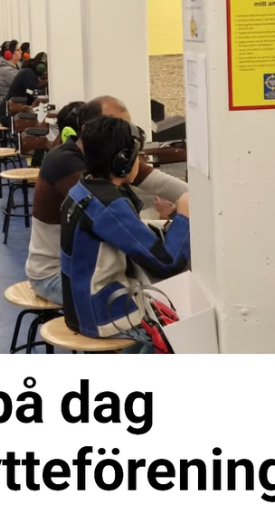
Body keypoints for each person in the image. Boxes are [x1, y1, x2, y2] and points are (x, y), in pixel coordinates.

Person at [25, 96, 188, 305]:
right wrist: (177, 217)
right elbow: (128, 233)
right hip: (56, 275)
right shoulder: (69, 166)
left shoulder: (104, 163)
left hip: (85, 267)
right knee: (162, 302)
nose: (126, 136)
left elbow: (159, 184)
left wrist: (198, 198)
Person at [60, 116, 190, 340]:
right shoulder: (109, 206)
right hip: (102, 315)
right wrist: (184, 214)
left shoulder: (84, 188)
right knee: (180, 331)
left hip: (79, 307)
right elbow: (167, 264)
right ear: (124, 161)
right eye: (137, 156)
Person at [0, 40, 22, 118]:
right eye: (18, 50)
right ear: (8, 54)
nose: (21, 52)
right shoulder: (6, 70)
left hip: (3, 104)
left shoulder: (12, 66)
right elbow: (21, 86)